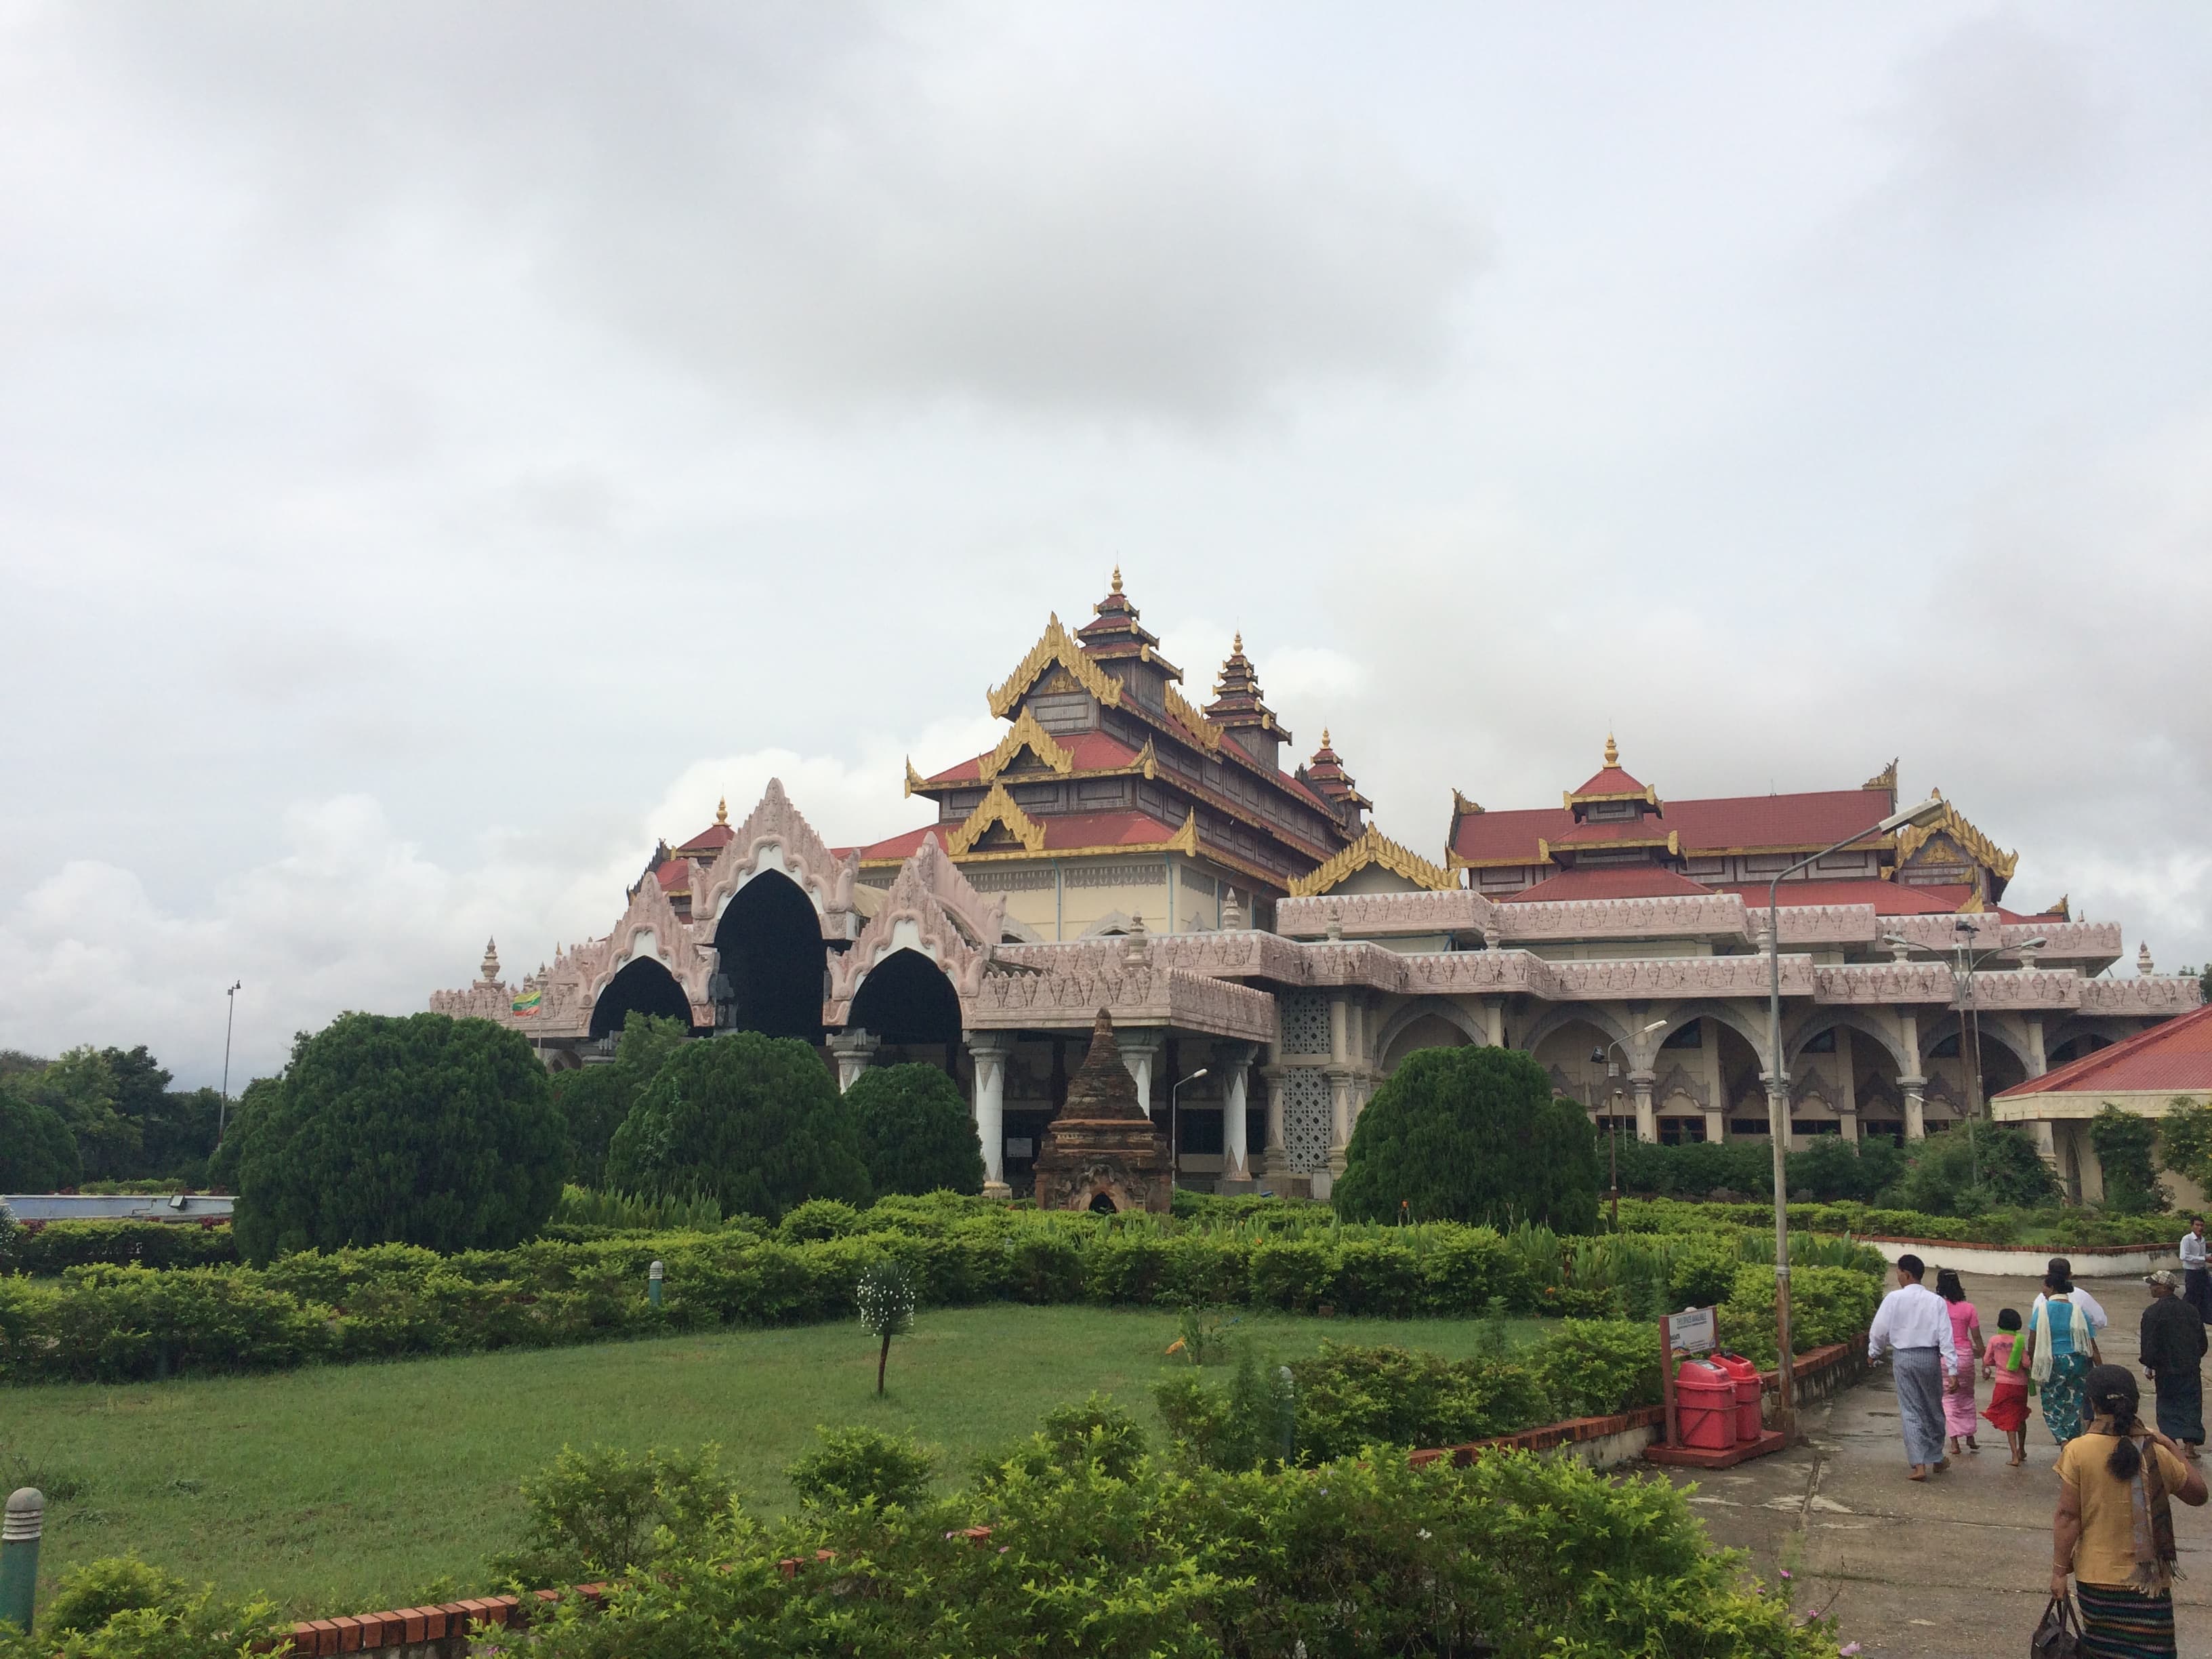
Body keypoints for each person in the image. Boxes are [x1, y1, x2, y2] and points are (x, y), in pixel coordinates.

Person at [2051, 1364, 2207, 1657]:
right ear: (2134, 1402)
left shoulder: (2078, 1450)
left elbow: (2068, 1517)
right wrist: (2171, 1446)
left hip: (2097, 1580)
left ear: (2093, 1404)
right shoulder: (2156, 1452)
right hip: (2150, 1585)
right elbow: (2199, 1495)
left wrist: (2059, 1572)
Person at [1867, 1253, 1959, 1481]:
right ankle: (1936, 1456)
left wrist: (1874, 1352)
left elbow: (1879, 1330)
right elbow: (1946, 1335)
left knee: (1911, 1410)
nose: (1897, 1276)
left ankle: (1919, 1464)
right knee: (1933, 1408)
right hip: (1929, 1357)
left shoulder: (1893, 1299)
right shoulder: (1936, 1301)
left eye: (1899, 1272)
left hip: (1904, 1358)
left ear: (1907, 1275)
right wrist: (1952, 1369)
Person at [2017, 1261, 2102, 1446]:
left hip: (2053, 1364)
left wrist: (2031, 1362)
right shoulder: (2078, 1312)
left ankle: (2063, 1440)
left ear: (2052, 1288)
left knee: (2051, 1404)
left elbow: (2033, 1340)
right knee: (2075, 1403)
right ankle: (2074, 1440)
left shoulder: (2042, 1311)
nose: (2043, 1290)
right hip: (2078, 1363)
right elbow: (2091, 1345)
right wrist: (2101, 1369)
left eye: (2045, 1287)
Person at [2139, 1269, 2207, 1460]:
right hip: (2190, 1368)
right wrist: (2193, 1358)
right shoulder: (2191, 1310)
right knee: (2191, 1405)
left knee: (2167, 1405)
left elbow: (2149, 1343)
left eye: (2154, 1285)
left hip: (2165, 1369)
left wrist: (2149, 1364)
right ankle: (2190, 1447)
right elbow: (2202, 1342)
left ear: (2164, 1288)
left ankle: (2171, 1446)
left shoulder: (2153, 1313)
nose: (2151, 1288)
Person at [1934, 1267, 1984, 1454]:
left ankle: (1954, 1441)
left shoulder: (1938, 1307)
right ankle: (1970, 1436)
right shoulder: (1969, 1308)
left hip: (1944, 1357)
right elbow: (1977, 1336)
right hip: (1965, 1357)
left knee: (1948, 1399)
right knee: (1967, 1396)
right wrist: (1985, 1358)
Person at [1983, 1308, 2031, 1466]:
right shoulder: (2019, 1341)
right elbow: (2026, 1363)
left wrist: (1998, 1363)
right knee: (2020, 1416)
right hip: (2020, 1386)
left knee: (2009, 1420)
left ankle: (2014, 1456)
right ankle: (2022, 1450)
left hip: (2003, 1385)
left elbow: (1987, 1360)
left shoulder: (1994, 1340)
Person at [2033, 1256, 2110, 1335]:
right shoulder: (2082, 1296)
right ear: (2070, 1275)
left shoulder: (2042, 1298)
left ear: (2048, 1273)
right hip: (2077, 1339)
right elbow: (2100, 1321)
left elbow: (2035, 1325)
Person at [2182, 1217, 2211, 1323]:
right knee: (2191, 1295)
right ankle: (2185, 1316)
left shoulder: (2202, 1240)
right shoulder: (2187, 1239)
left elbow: (2201, 1255)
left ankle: (2204, 1317)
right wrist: (2204, 1259)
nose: (2200, 1228)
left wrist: (2207, 1257)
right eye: (2197, 1225)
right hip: (2192, 1272)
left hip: (2202, 1271)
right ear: (2192, 1226)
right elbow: (2185, 1256)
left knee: (2205, 1293)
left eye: (2202, 1225)